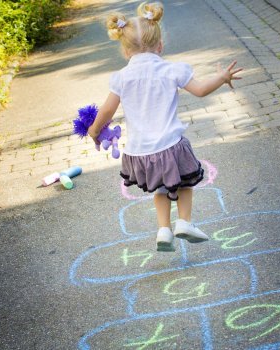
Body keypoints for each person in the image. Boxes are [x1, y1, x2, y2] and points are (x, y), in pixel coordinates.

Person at [88, 2, 243, 252]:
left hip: (141, 153)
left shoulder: (121, 78)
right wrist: (222, 78)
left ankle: (163, 230)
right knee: (184, 183)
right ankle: (184, 222)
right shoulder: (172, 70)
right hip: (171, 146)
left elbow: (106, 111)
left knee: (160, 189)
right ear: (160, 46)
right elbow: (202, 90)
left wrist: (95, 130)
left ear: (126, 52)